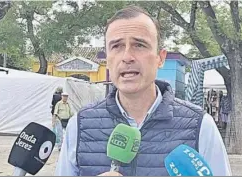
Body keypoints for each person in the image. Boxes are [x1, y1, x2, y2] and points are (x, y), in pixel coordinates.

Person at [55, 5, 231, 176]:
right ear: (107, 60)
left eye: (139, 45)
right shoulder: (79, 126)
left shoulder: (201, 127)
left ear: (160, 58)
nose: (127, 57)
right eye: (116, 46)